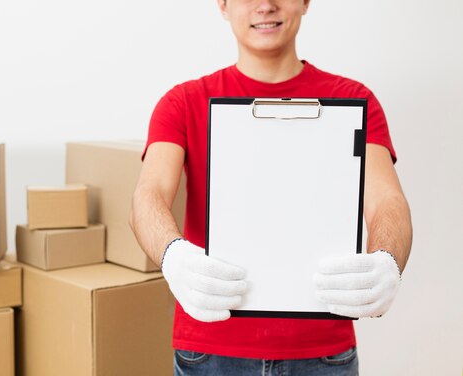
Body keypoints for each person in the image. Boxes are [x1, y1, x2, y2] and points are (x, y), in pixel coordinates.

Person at [129, 0, 413, 375]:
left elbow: (387, 201)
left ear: (306, 2)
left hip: (322, 353)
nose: (265, 5)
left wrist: (388, 261)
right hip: (210, 350)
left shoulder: (353, 100)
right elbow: (148, 195)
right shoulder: (182, 102)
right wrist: (172, 255)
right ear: (223, 5)